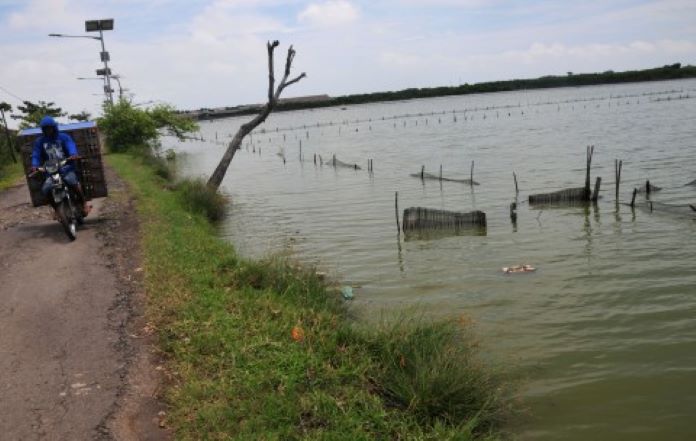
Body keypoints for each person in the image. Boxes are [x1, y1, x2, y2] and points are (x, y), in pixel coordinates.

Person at [31, 116, 89, 216]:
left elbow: (70, 145)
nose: (48, 130)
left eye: (49, 128)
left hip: (66, 167)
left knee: (73, 182)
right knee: (46, 189)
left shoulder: (63, 137)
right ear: (43, 130)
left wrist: (73, 154)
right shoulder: (39, 141)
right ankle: (57, 210)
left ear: (54, 127)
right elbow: (36, 154)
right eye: (45, 128)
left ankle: (84, 204)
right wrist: (34, 165)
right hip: (50, 171)